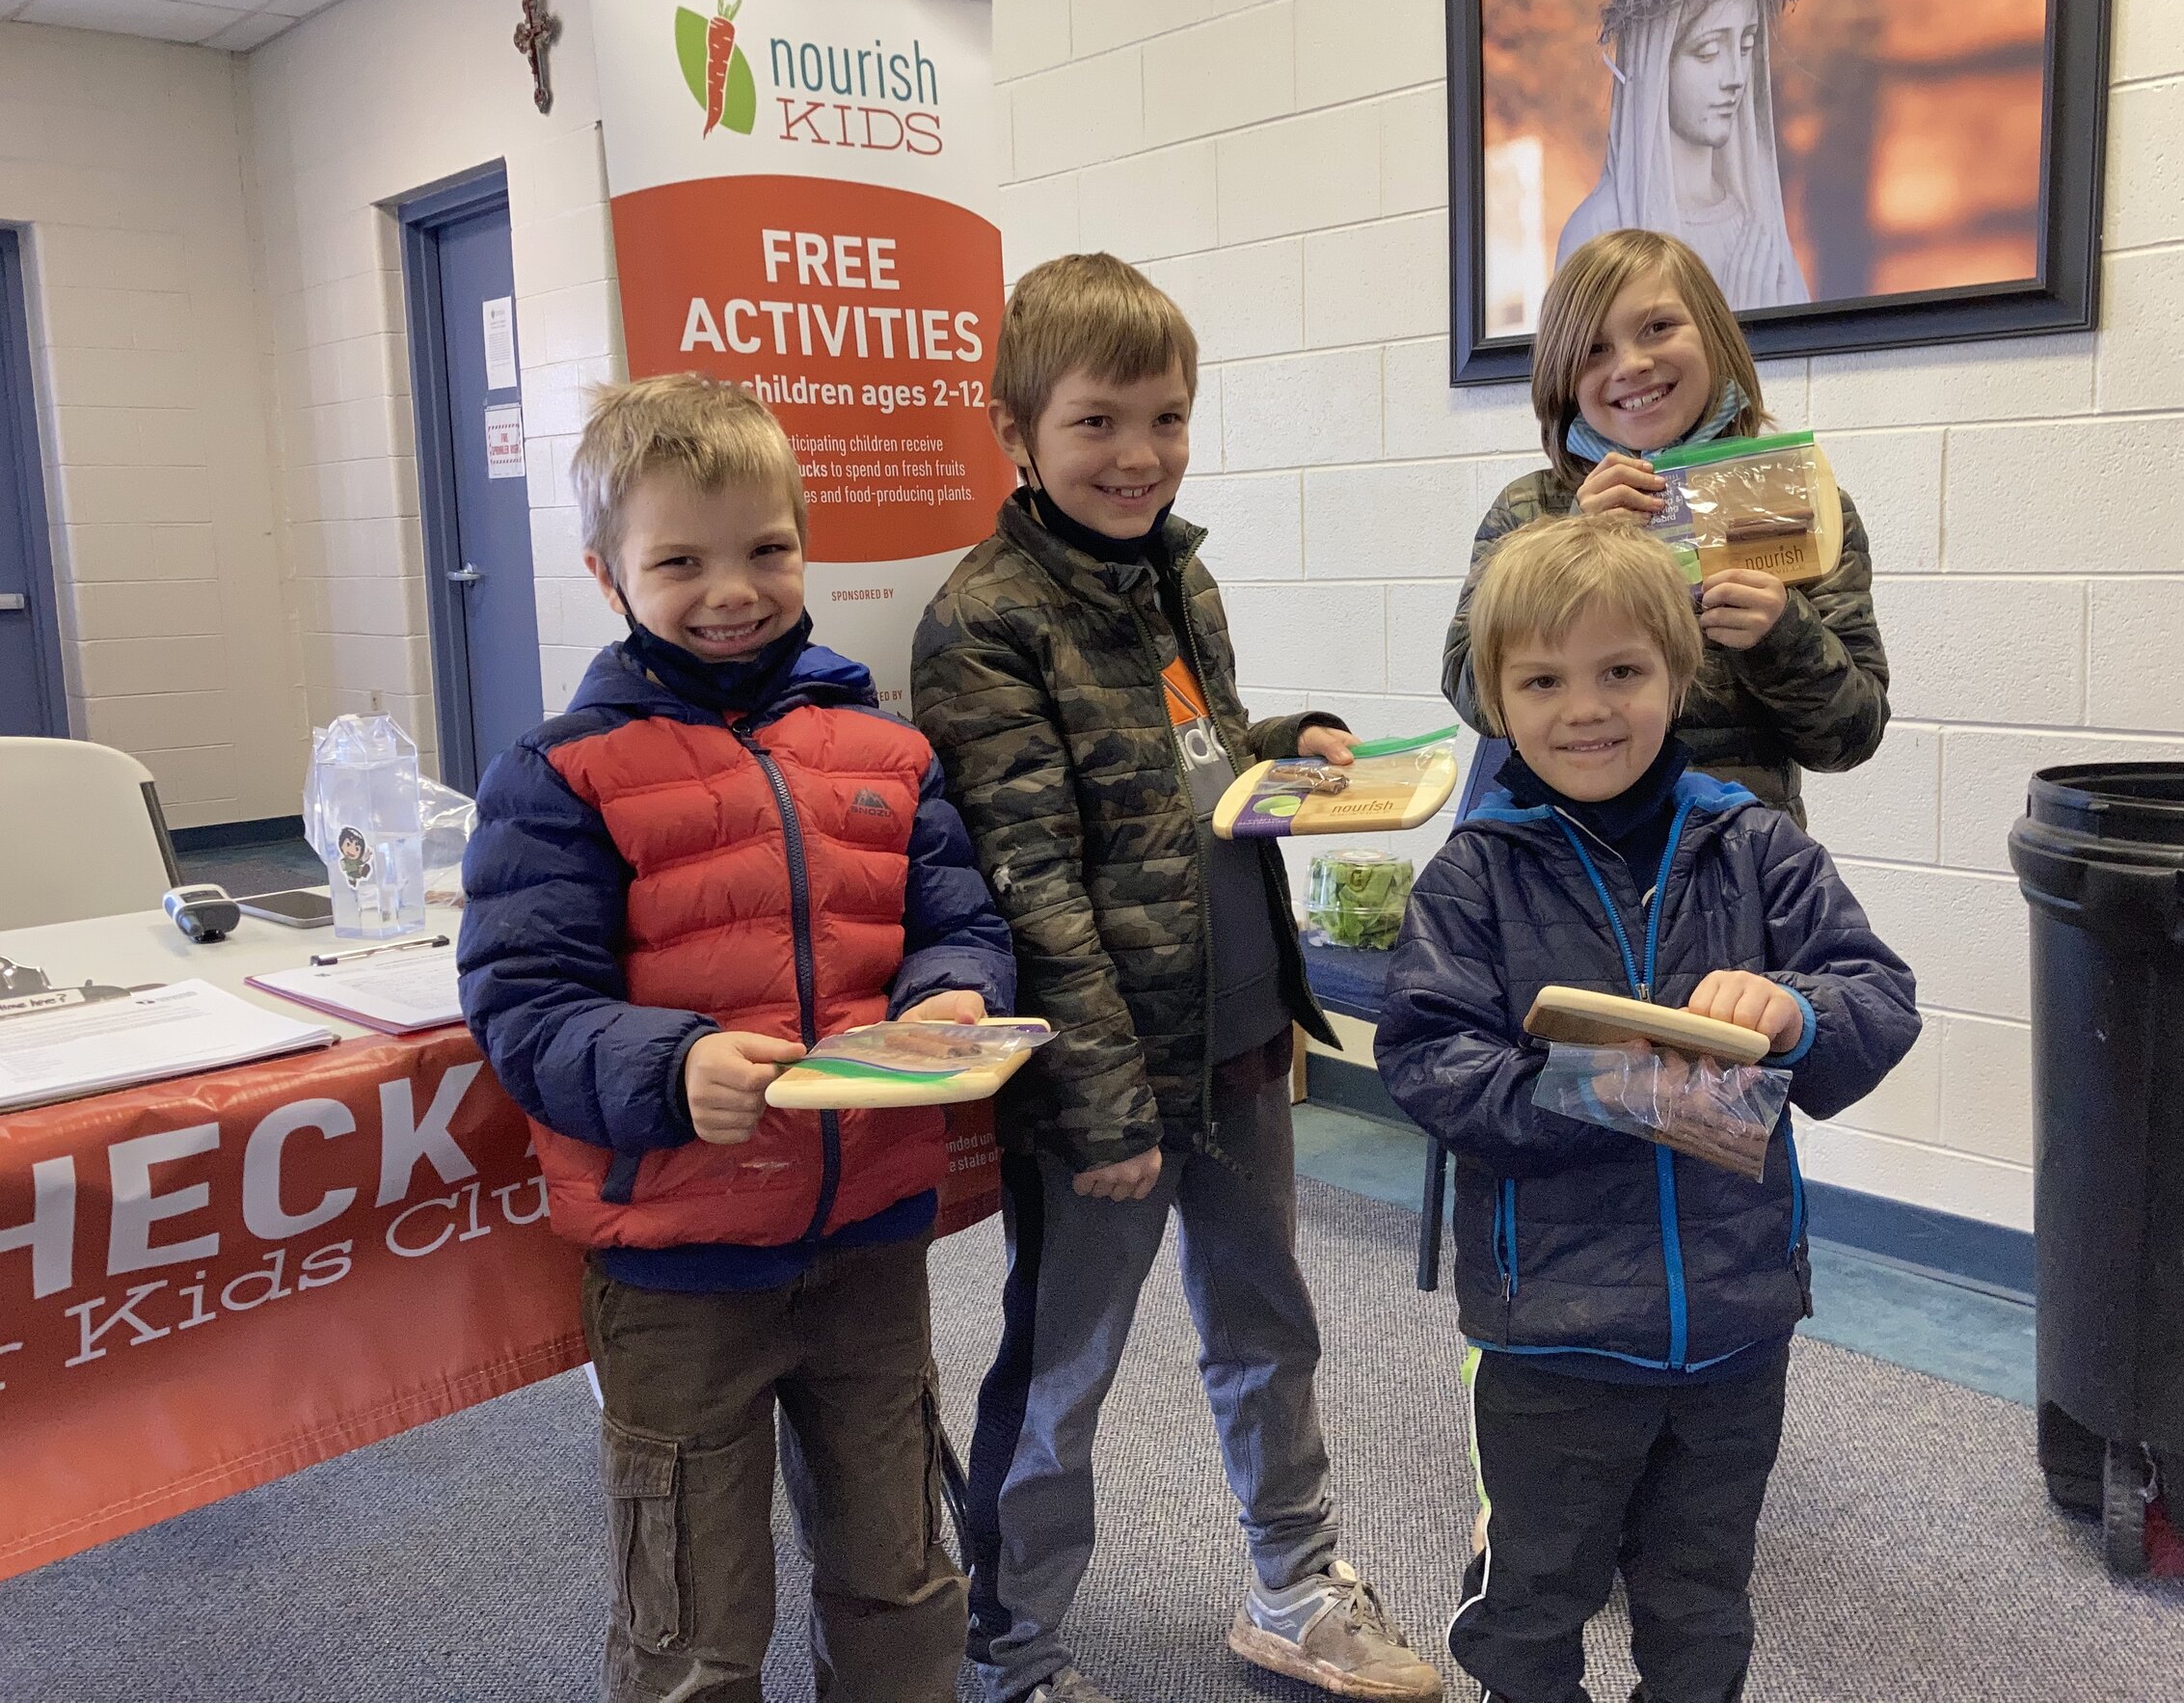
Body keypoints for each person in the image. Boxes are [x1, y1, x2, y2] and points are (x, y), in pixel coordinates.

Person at [911, 254, 1443, 1703]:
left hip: (1238, 1032)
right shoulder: (982, 622)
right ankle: (1008, 1647)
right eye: (1097, 421)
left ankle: (1292, 1580)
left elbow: (1182, 764)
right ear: (1013, 427)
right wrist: (1103, 1106)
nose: (1137, 454)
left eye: (1165, 417)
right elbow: (1036, 878)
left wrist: (1290, 735)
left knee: (1269, 1323)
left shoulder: (1174, 571)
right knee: (1065, 1370)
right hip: (1105, 1079)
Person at [458, 373, 1015, 1703]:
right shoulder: (561, 771)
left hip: (868, 1233)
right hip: (677, 1263)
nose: (734, 588)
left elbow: (957, 913)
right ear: (608, 575)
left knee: (900, 1573)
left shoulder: (887, 745)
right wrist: (667, 1065)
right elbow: (524, 1000)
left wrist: (951, 989)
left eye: (767, 548)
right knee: (695, 1618)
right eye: (681, 559)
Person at [1379, 512, 1921, 1703]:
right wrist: (1611, 1090)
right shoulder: (1474, 874)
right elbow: (1426, 1059)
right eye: (1544, 680)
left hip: (1736, 1326)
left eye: (1622, 671)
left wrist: (1793, 1011)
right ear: (1495, 699)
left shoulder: (1756, 846)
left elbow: (1879, 992)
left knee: (1702, 1603)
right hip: (1554, 1330)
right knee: (1534, 1596)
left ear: (1678, 675)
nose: (1587, 708)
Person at [1440, 228, 1886, 825]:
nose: (1632, 364)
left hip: (1736, 862)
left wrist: (1783, 635)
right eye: (1594, 349)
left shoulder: (1793, 503)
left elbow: (1850, 738)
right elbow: (1475, 695)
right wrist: (1569, 551)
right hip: (1561, 857)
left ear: (1714, 335)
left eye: (1658, 327)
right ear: (1562, 377)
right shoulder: (1530, 510)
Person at [1554, 0, 1810, 309]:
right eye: (1708, 52)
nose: (1735, 77)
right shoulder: (1598, 231)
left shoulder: (1757, 237)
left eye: (1745, 46)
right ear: (1656, 64)